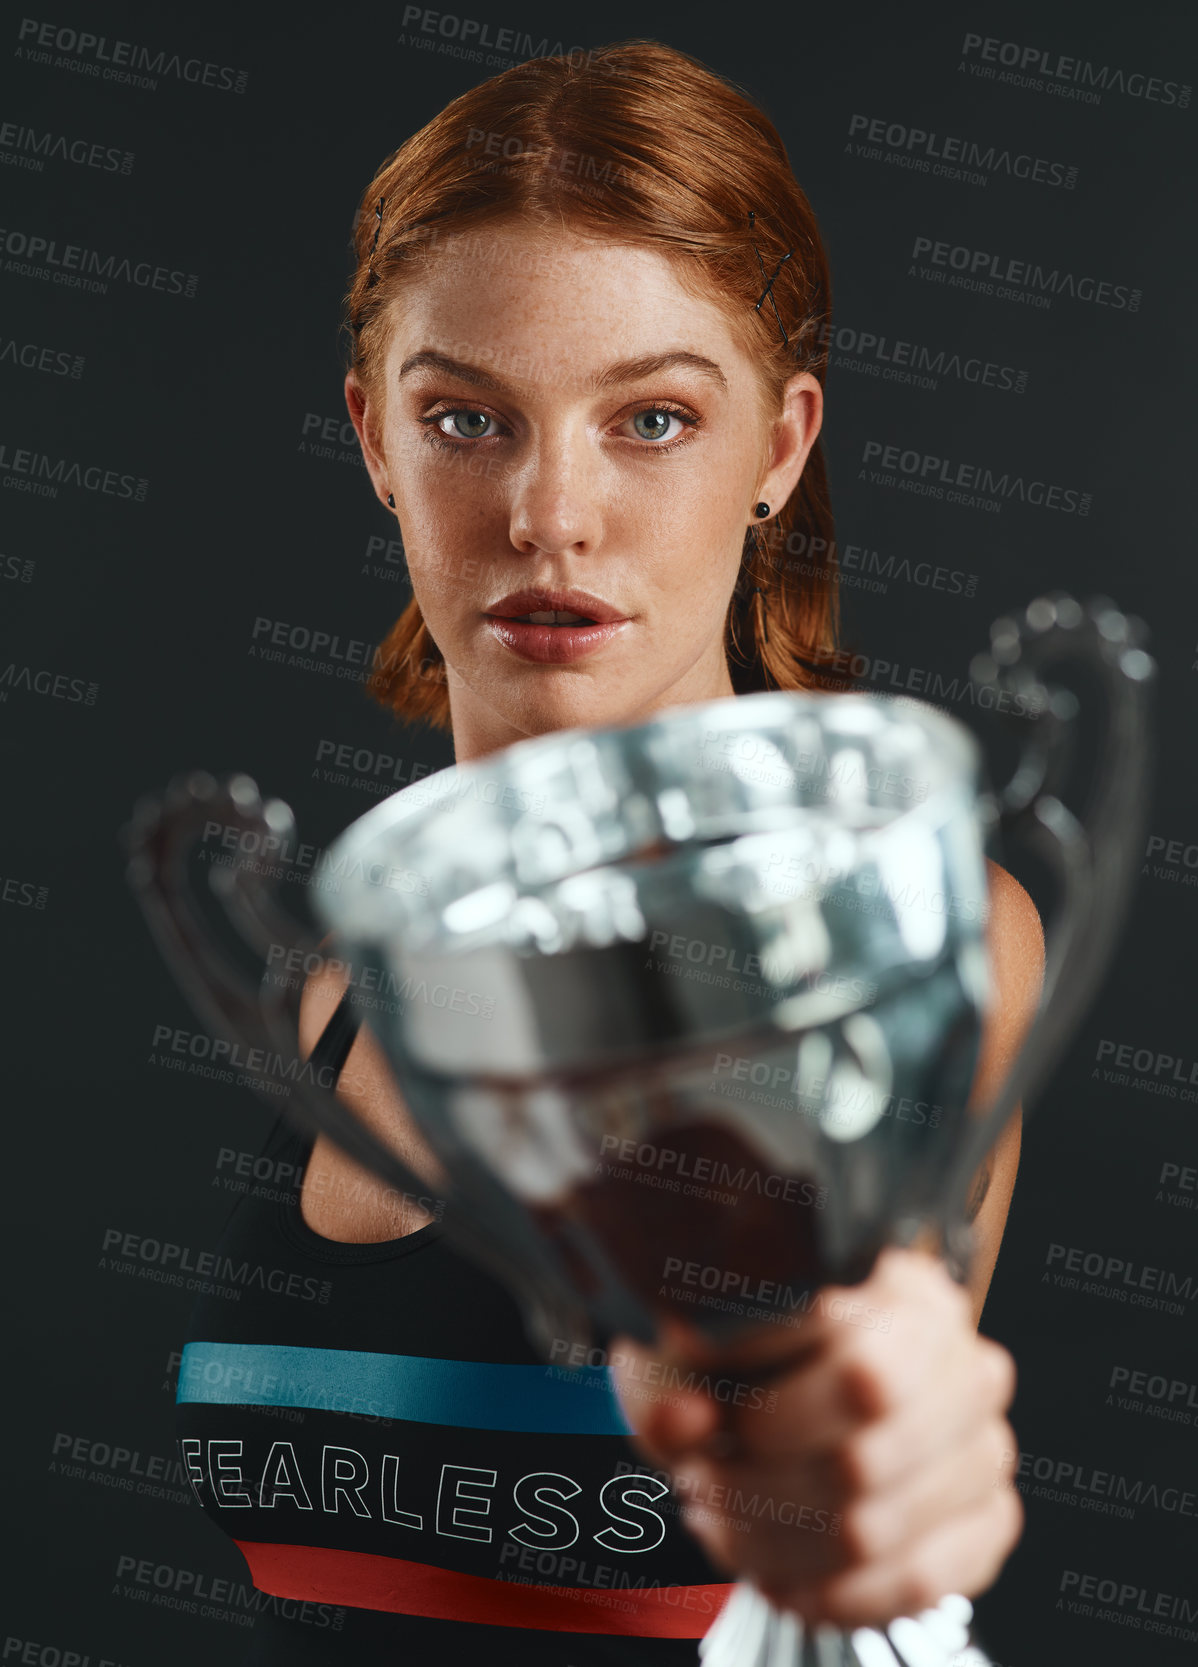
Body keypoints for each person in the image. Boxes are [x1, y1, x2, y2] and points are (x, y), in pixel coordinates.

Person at [176, 38, 1044, 1664]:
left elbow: (876, 1487)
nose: (548, 513)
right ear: (375, 439)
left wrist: (901, 1497)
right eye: (466, 418)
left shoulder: (889, 927)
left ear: (778, 447)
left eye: (648, 418)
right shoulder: (337, 966)